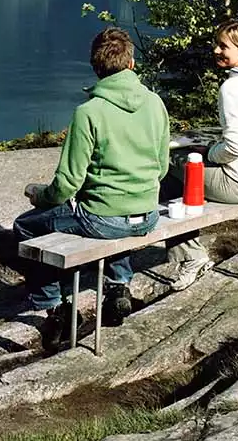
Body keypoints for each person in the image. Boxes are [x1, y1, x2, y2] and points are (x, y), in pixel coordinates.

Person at [14, 26, 170, 352]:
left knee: (26, 225)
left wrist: (39, 196)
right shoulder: (155, 104)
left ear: (96, 68)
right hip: (148, 215)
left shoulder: (88, 113)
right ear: (131, 64)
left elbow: (67, 183)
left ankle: (57, 308)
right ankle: (118, 287)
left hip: (104, 218)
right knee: (117, 211)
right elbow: (163, 167)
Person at [163, 18, 238, 290]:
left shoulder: (232, 88)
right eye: (216, 44)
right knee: (189, 165)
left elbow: (236, 146)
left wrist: (210, 154)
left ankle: (190, 256)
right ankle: (187, 250)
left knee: (168, 165)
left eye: (223, 46)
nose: (216, 51)